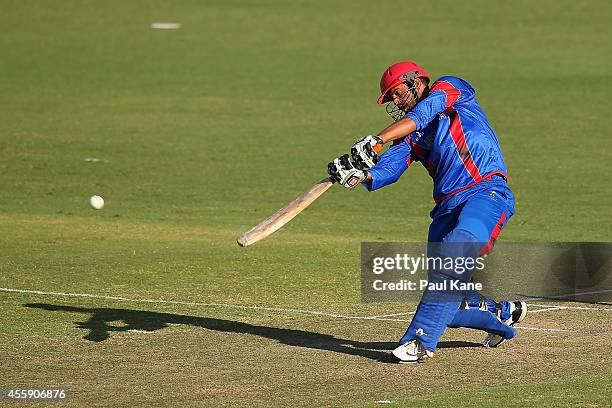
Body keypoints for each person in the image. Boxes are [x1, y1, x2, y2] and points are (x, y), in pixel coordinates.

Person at [327, 61, 527, 363]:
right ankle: (502, 318)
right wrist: (360, 173)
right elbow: (392, 166)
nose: (394, 101)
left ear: (414, 81)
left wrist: (377, 140)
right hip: (445, 210)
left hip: (486, 193)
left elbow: (423, 113)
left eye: (395, 93)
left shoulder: (451, 88)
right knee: (453, 303)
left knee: (456, 249)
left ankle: (419, 341)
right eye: (390, 99)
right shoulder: (412, 134)